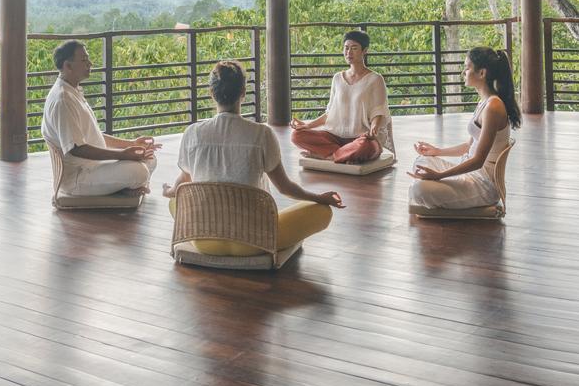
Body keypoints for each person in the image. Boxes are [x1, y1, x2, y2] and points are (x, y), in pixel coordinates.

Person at [164, 60, 344, 255]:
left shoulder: (192, 133)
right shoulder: (261, 134)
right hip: (255, 241)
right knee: (322, 211)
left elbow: (184, 181)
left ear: (211, 93)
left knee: (175, 201)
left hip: (205, 239)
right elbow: (285, 188)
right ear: (243, 92)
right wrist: (319, 197)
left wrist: (170, 191)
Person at [41, 39, 159, 196]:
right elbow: (76, 149)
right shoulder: (63, 100)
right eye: (84, 60)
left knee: (149, 159)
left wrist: (130, 144)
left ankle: (123, 187)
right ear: (67, 66)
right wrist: (122, 155)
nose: (90, 63)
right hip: (79, 177)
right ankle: (124, 188)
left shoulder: (72, 91)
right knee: (139, 171)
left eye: (88, 58)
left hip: (95, 167)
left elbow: (91, 136)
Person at [408, 47, 520, 210]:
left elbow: (478, 161)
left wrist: (439, 176)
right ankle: (437, 186)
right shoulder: (484, 101)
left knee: (419, 190)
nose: (463, 72)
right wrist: (437, 151)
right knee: (422, 161)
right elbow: (469, 146)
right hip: (469, 174)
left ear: (482, 73)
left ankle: (433, 188)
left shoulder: (493, 107)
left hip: (482, 185)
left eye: (467, 68)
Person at [290, 30, 392, 164]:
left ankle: (329, 155)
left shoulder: (375, 79)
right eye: (346, 48)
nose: (349, 52)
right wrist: (308, 126)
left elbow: (378, 112)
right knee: (297, 136)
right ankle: (342, 154)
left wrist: (374, 128)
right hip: (334, 137)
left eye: (354, 48)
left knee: (366, 146)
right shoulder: (337, 78)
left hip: (361, 138)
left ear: (364, 51)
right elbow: (329, 113)